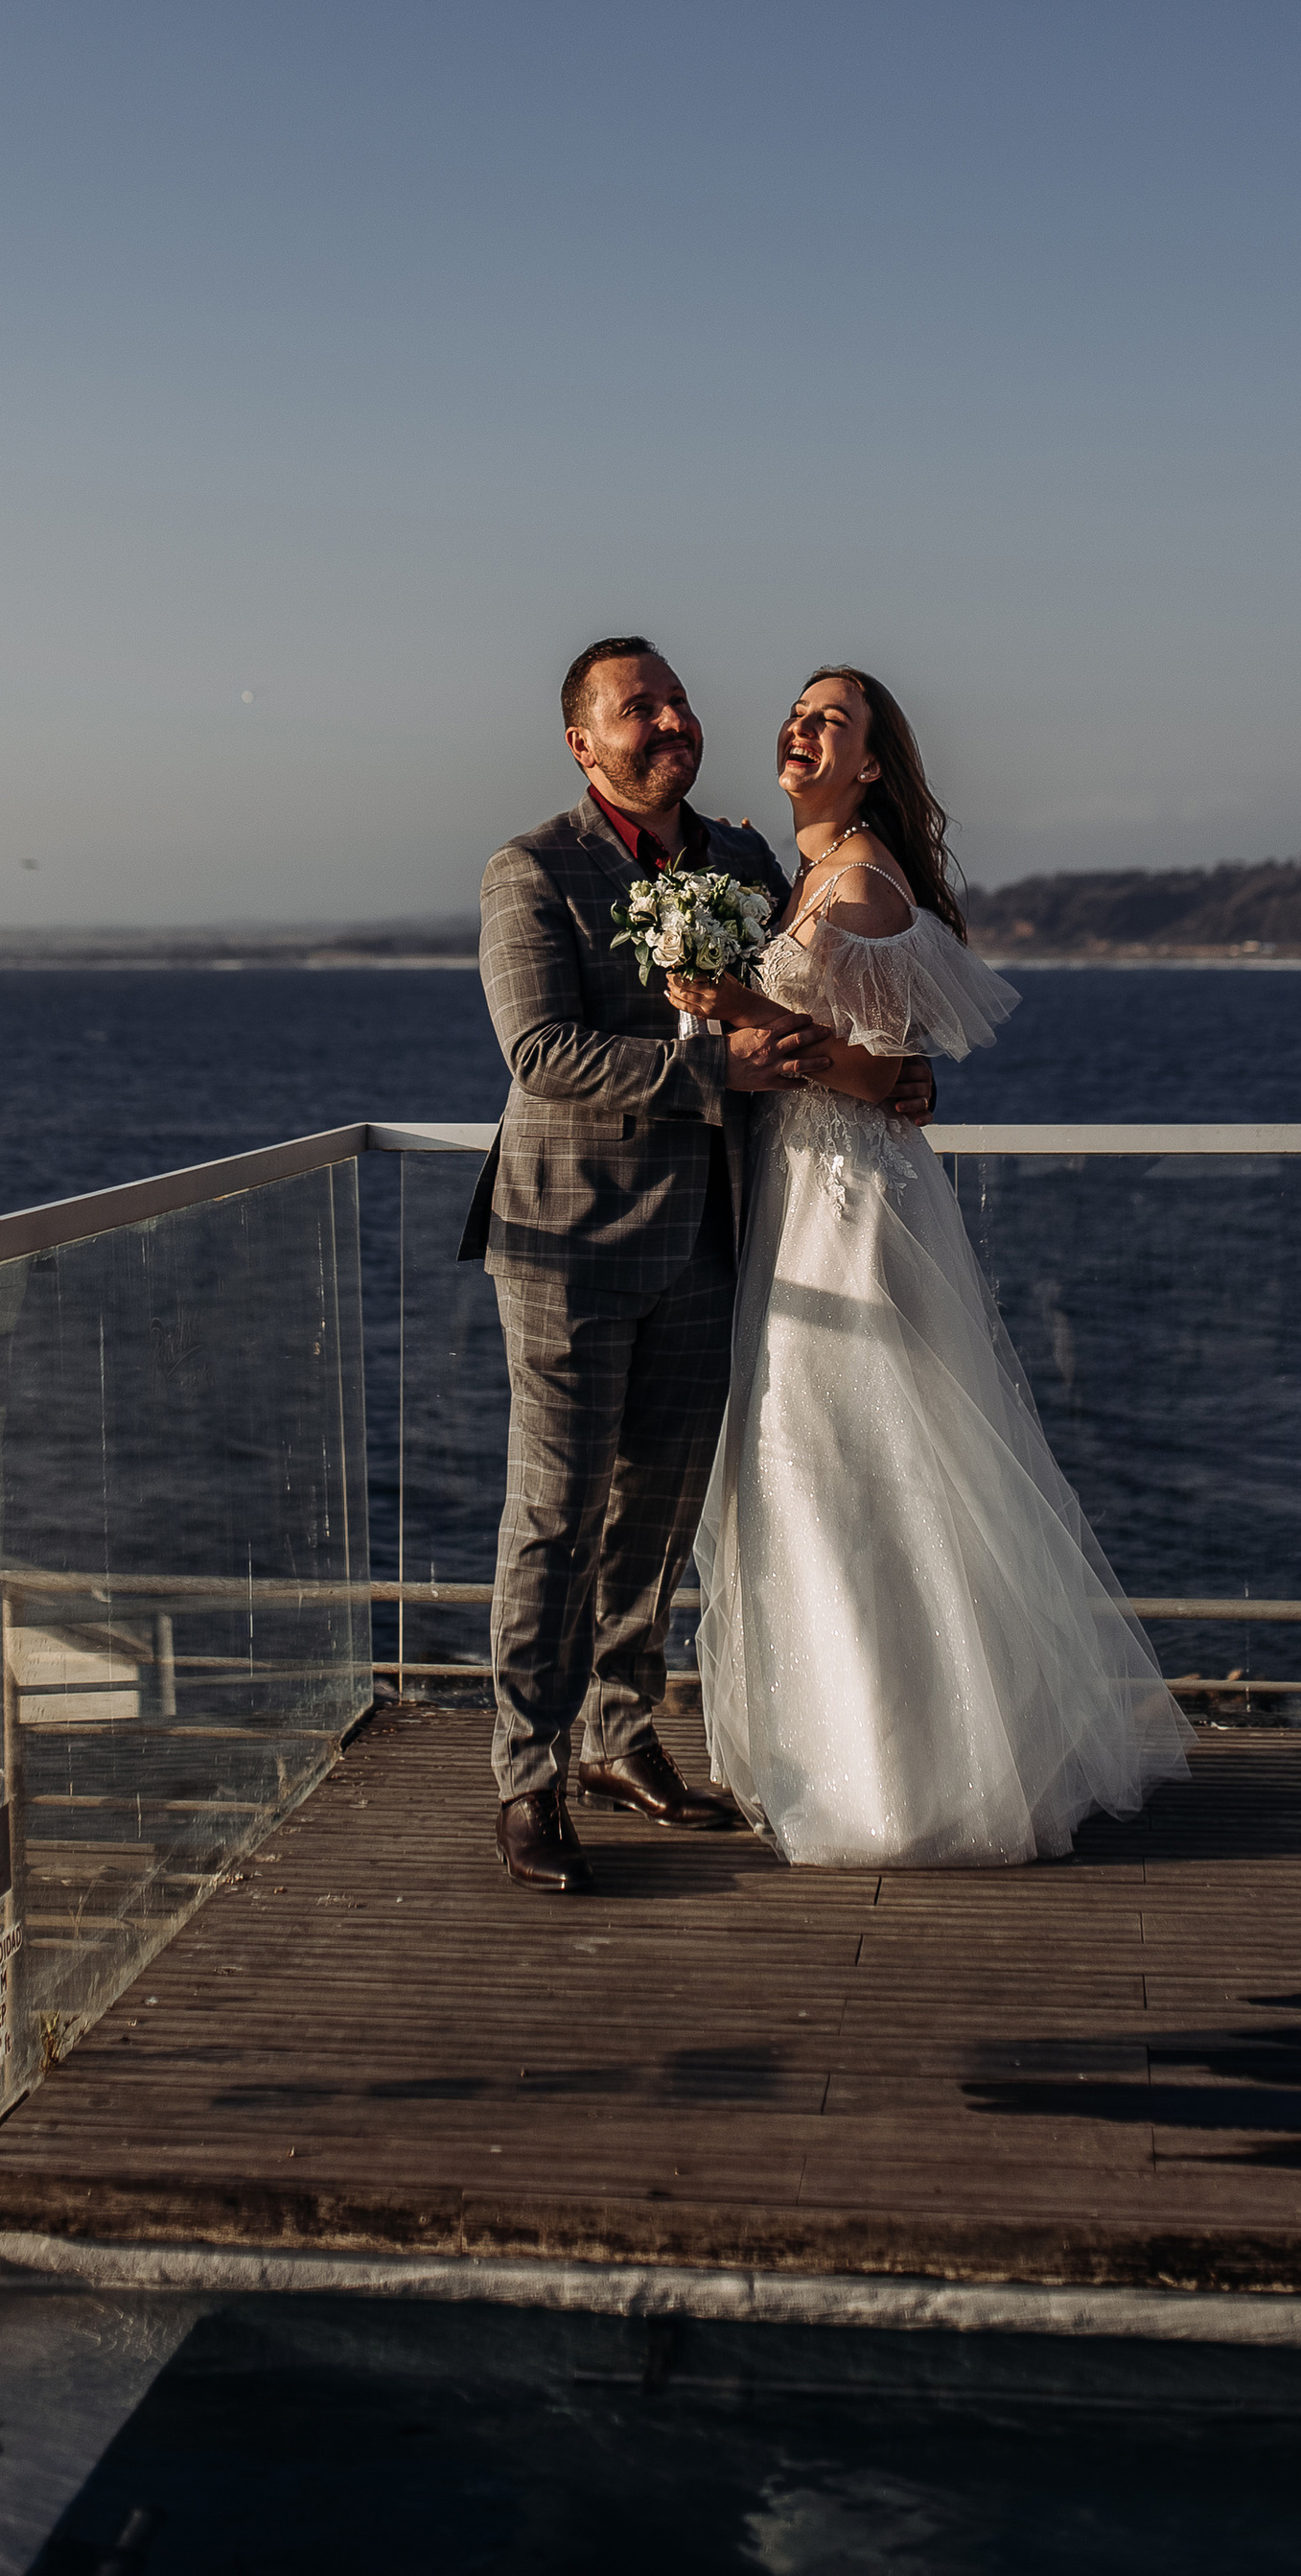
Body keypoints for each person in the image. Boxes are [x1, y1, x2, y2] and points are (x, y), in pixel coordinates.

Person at [682, 667, 1192, 1866]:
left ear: (870, 763)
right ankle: (871, 1750)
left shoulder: (857, 880)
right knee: (829, 1470)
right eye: (799, 714)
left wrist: (736, 1001)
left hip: (847, 1204)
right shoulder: (807, 870)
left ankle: (903, 1782)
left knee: (851, 1466)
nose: (803, 729)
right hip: (805, 1192)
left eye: (832, 722)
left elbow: (877, 1072)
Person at [462, 638, 934, 1893]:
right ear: (584, 743)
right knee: (555, 1519)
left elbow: (803, 1013)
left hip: (712, 1243)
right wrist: (705, 1073)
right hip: (565, 1245)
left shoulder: (740, 860)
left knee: (658, 1520)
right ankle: (525, 1773)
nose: (670, 719)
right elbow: (543, 1056)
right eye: (638, 708)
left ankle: (621, 1735)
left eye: (676, 700)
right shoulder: (532, 872)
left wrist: (885, 1074)